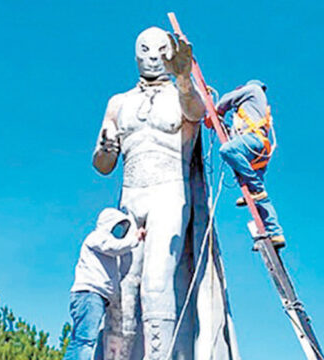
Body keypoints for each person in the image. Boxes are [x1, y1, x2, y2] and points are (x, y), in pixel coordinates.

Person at [92, 27, 240, 360]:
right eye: (144, 49)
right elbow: (103, 165)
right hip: (130, 197)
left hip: (168, 193)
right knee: (123, 291)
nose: (152, 56)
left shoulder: (182, 94)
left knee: (157, 282)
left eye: (160, 49)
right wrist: (105, 148)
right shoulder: (118, 103)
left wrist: (185, 78)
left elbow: (196, 113)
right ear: (135, 55)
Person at [63, 207, 146, 360]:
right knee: (85, 341)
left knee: (80, 340)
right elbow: (114, 247)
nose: (119, 231)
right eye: (117, 226)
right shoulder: (96, 238)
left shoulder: (107, 250)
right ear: (108, 224)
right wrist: (136, 239)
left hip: (93, 297)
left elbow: (123, 264)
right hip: (89, 295)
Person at [216, 80, 285, 248]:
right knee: (260, 196)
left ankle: (255, 188)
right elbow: (236, 135)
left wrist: (218, 111)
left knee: (227, 151)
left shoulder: (253, 89)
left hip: (254, 142)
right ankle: (275, 233)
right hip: (259, 151)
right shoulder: (253, 109)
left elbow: (227, 99)